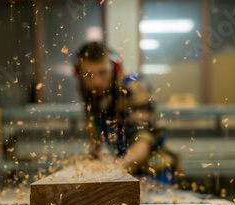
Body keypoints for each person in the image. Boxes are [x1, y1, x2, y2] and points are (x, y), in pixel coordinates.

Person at [74, 41, 179, 184]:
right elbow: (93, 125)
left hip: (154, 168)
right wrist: (94, 155)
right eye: (88, 75)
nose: (96, 81)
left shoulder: (133, 87)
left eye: (102, 73)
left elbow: (143, 141)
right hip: (123, 165)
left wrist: (119, 164)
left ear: (115, 68)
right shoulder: (88, 91)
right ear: (78, 73)